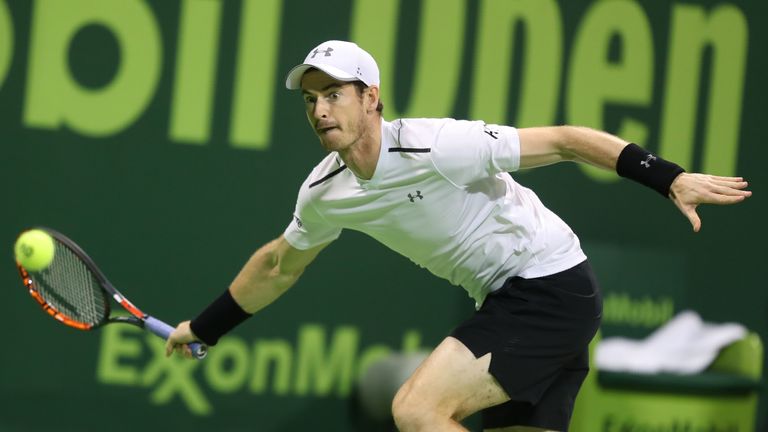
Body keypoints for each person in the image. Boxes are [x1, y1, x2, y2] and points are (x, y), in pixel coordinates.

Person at [165, 40, 751, 431]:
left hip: (547, 286)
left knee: (417, 409)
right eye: (311, 99)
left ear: (372, 99)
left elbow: (570, 140)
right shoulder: (324, 191)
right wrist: (206, 328)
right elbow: (277, 266)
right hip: (514, 300)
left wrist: (668, 177)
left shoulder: (439, 145)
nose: (320, 109)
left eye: (334, 94)